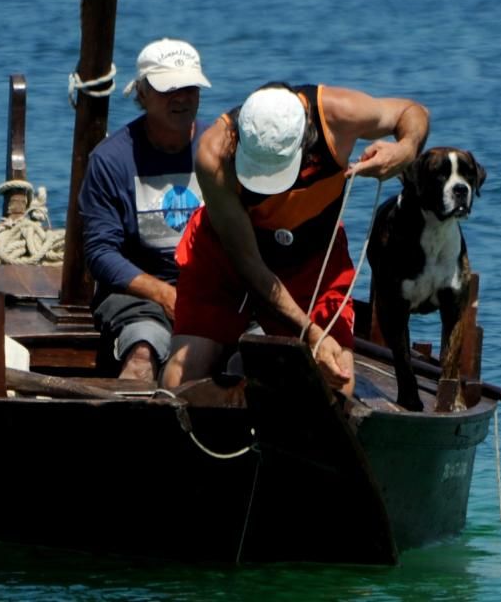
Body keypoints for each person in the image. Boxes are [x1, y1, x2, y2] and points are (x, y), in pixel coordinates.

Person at [161, 81, 430, 395]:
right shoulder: (213, 154)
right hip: (228, 257)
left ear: (306, 136)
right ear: (239, 136)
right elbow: (250, 267)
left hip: (313, 257)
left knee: (337, 383)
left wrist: (406, 148)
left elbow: (413, 112)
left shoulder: (339, 115)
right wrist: (311, 333)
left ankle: (245, 366)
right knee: (180, 381)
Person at [77, 38, 212, 382]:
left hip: (216, 290)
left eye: (189, 88)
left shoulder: (222, 148)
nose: (180, 98)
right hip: (139, 296)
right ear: (142, 93)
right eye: (169, 89)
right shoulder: (110, 160)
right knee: (143, 349)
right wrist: (164, 294)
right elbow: (100, 252)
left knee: (261, 353)